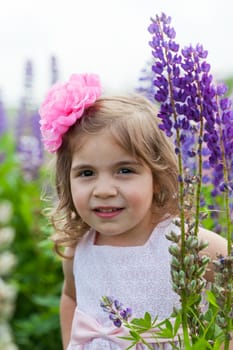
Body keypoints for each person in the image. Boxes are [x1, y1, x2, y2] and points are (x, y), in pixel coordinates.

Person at [39, 73, 228, 350]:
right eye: (86, 173)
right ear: (66, 181)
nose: (103, 189)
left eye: (124, 170)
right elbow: (70, 298)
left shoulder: (183, 242)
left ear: (157, 177)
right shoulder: (79, 248)